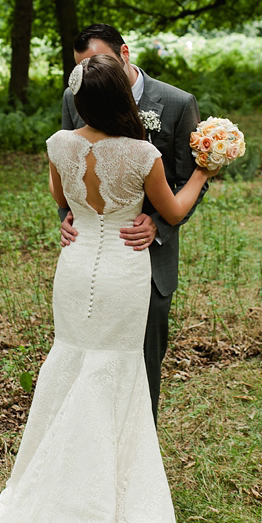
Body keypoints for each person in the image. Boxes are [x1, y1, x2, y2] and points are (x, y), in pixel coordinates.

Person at [0, 55, 218, 523]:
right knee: (115, 371)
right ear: (123, 98)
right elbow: (173, 208)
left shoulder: (58, 144)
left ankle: (54, 491)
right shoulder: (142, 154)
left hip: (74, 271)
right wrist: (205, 172)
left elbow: (61, 202)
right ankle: (99, 501)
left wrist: (81, 214)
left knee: (71, 365)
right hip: (122, 269)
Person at [61, 24, 206, 424]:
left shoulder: (176, 103)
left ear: (124, 54)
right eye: (79, 69)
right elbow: (71, 170)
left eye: (95, 64)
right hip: (87, 256)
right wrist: (70, 216)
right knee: (87, 358)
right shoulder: (75, 96)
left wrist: (158, 224)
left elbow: (182, 177)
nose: (86, 77)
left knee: (141, 365)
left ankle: (137, 453)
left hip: (147, 258)